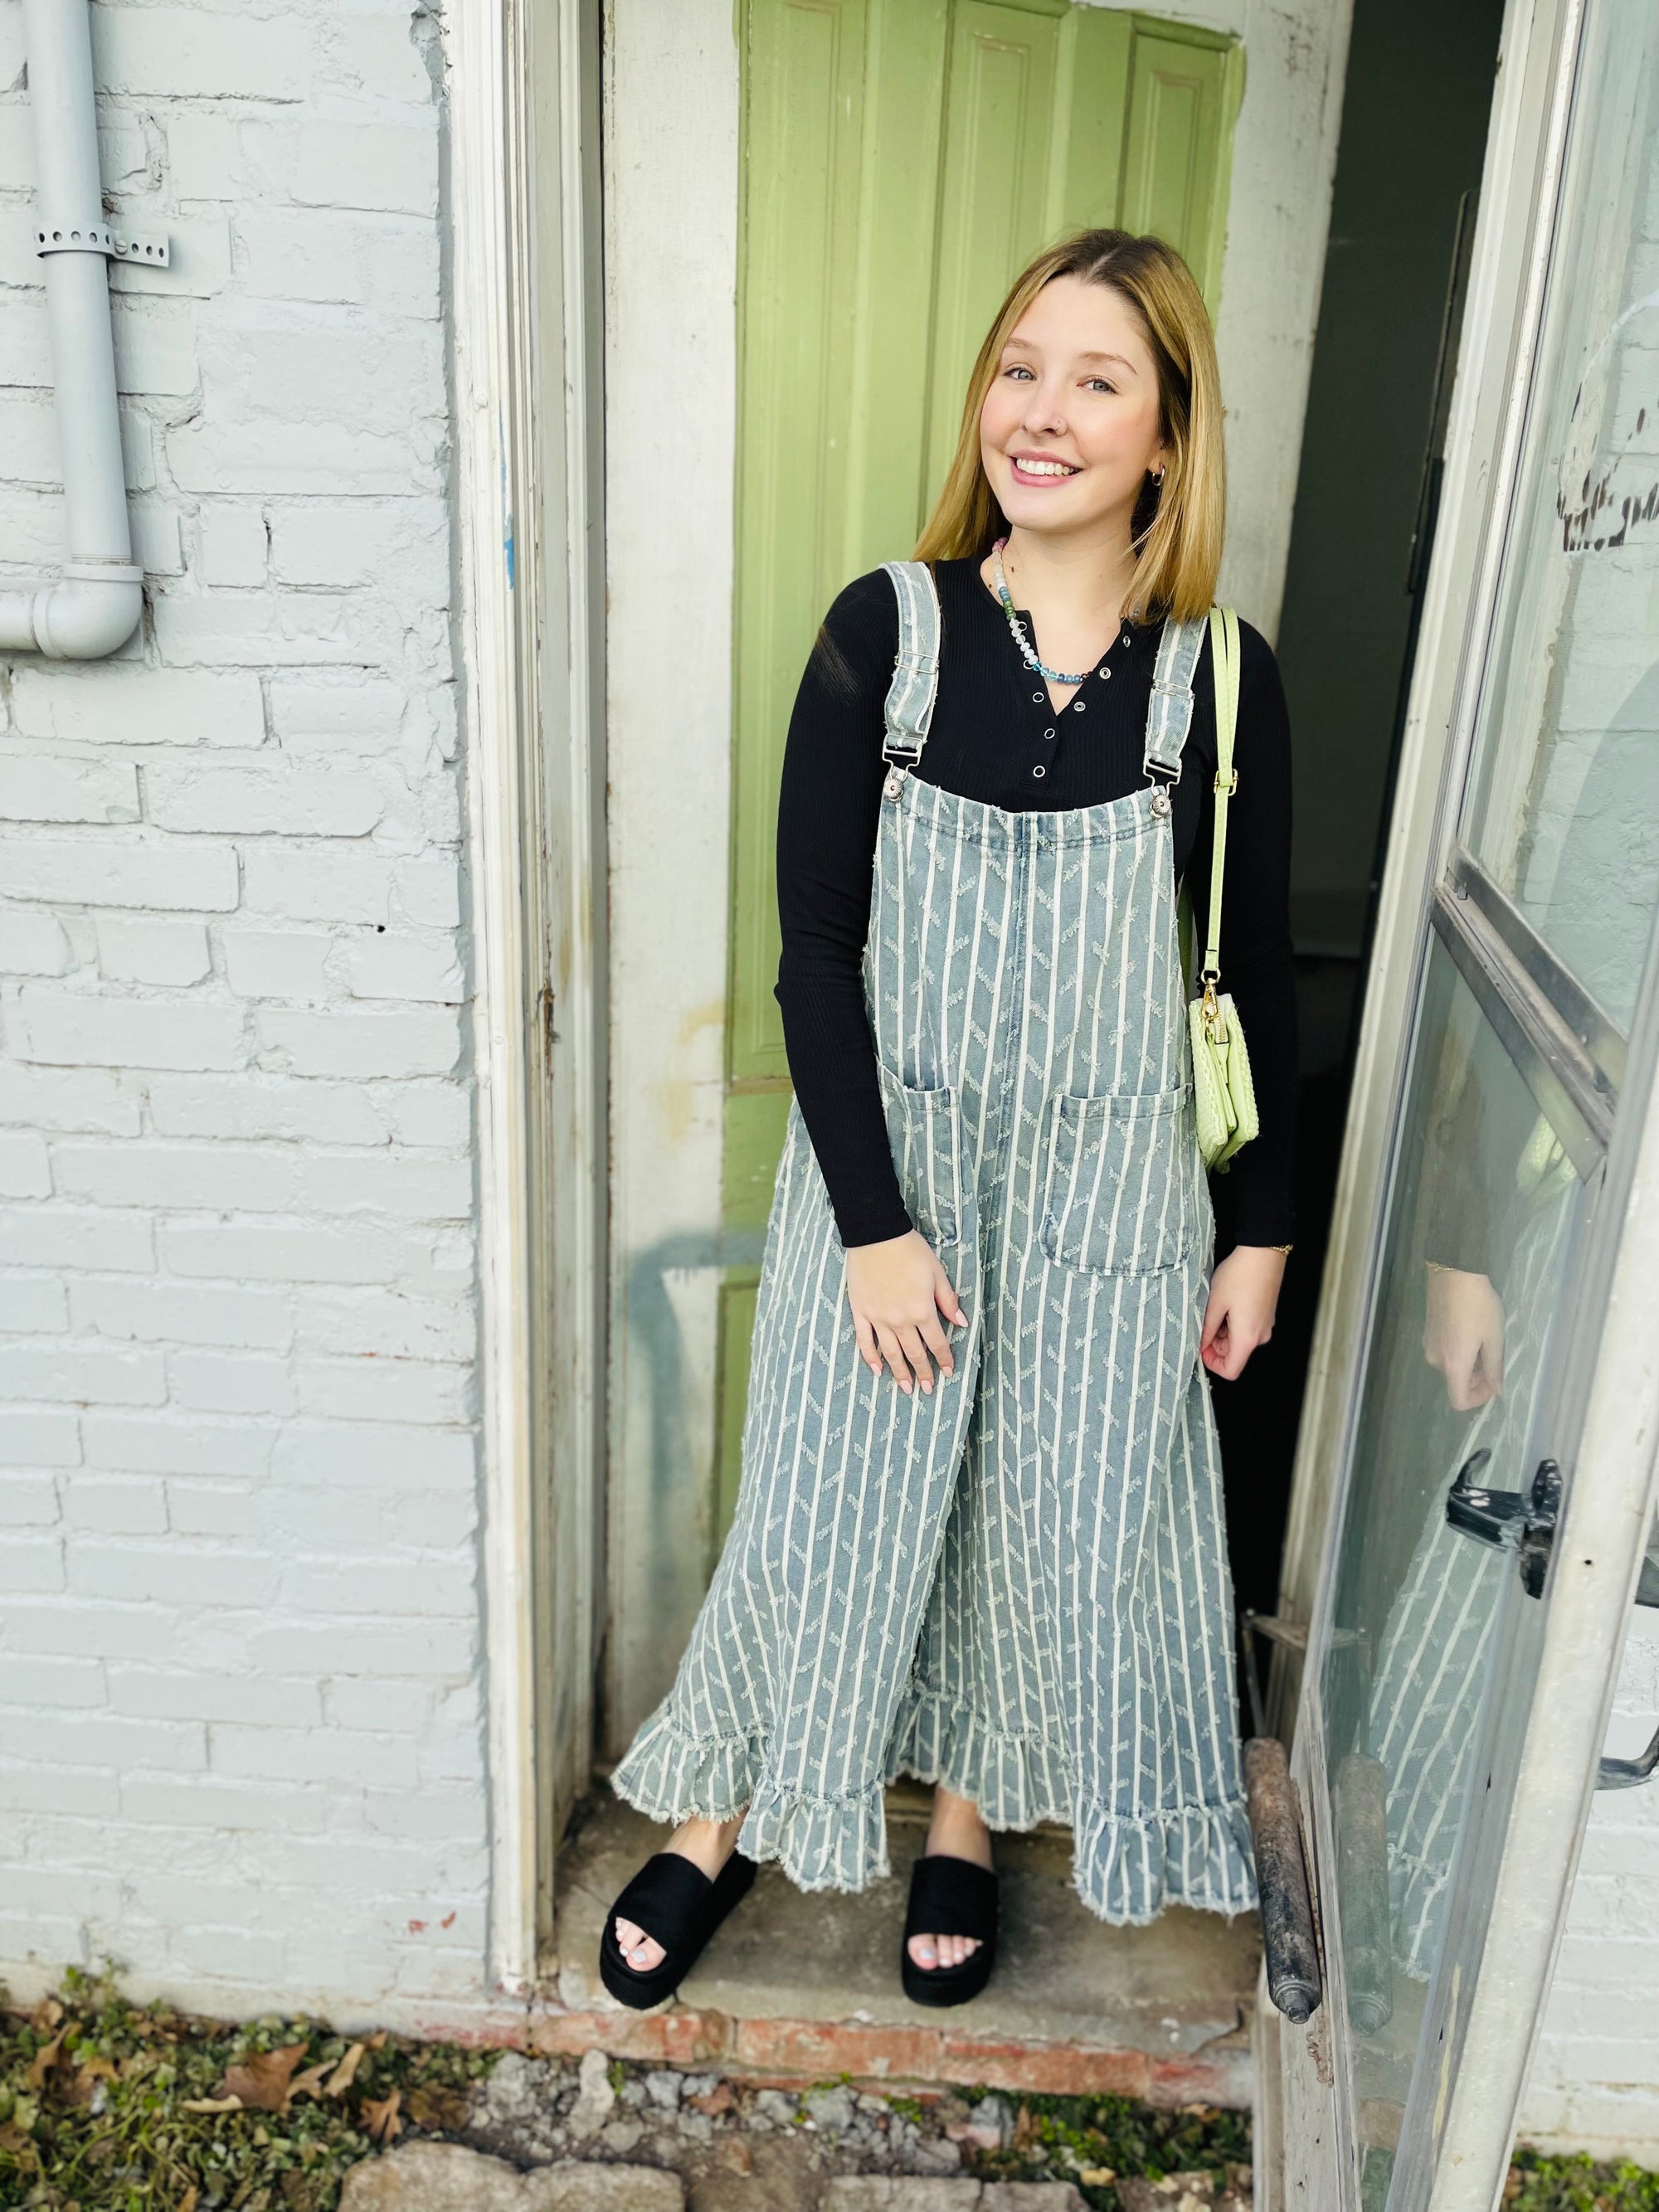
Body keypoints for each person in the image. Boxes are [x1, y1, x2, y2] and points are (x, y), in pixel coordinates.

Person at [599, 228, 1297, 2010]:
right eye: (1017, 368)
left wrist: (1264, 1228)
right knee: (830, 1507)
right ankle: (726, 1809)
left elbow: (1254, 979)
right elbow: (812, 960)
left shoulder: (1217, 685)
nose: (1040, 413)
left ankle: (967, 1822)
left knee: (1036, 1518)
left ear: (1167, 434)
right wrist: (875, 1226)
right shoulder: (885, 633)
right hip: (891, 1189)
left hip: (1110, 1200)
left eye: (1095, 379)